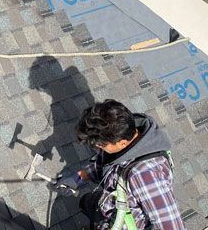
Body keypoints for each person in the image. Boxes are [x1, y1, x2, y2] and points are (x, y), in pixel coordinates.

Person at [57, 99, 184, 230]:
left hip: (122, 223)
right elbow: (107, 165)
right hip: (110, 205)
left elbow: (172, 226)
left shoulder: (144, 175)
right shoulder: (124, 136)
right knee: (85, 202)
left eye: (101, 145)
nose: (98, 149)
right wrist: (78, 177)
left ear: (122, 143)